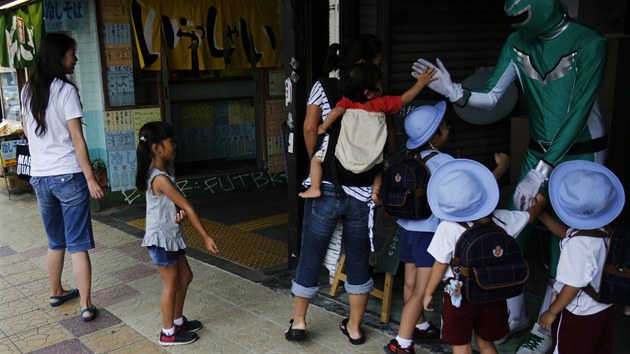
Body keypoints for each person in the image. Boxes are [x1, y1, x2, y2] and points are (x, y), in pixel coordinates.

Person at [412, 1, 608, 352]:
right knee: (513, 231)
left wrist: (542, 170)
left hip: (583, 152)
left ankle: (548, 325)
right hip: (537, 149)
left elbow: (579, 113)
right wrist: (452, 90)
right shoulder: (517, 41)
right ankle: (512, 313)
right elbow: (491, 97)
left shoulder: (589, 42)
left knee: (567, 237)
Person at [385, 106, 510, 354]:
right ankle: (402, 342)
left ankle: (419, 325)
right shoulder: (446, 163)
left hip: (408, 230)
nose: (449, 128)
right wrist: (502, 167)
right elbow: (475, 191)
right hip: (429, 234)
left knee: (410, 284)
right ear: (434, 137)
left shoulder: (410, 158)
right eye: (444, 126)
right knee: (422, 290)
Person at [285, 34, 384, 345]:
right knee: (357, 259)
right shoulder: (375, 91)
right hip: (364, 191)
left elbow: (309, 127)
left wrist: (320, 158)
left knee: (311, 253)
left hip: (326, 186)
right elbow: (389, 143)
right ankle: (354, 328)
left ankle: (299, 322)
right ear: (365, 62)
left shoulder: (324, 86)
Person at [422, 159, 546, 354]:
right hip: (492, 292)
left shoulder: (447, 227)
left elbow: (439, 264)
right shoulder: (501, 219)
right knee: (486, 343)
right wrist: (541, 203)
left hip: (458, 295)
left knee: (461, 344)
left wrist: (428, 292)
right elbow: (529, 216)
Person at [21, 33, 103, 322]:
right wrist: (90, 178)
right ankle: (85, 304)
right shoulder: (65, 91)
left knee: (55, 241)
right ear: (59, 57)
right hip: (68, 174)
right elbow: (77, 139)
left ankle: (56, 291)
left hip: (40, 177)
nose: (75, 59)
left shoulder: (27, 90)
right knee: (78, 242)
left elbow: (28, 133)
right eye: (71, 54)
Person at [298, 62, 437, 203]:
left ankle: (315, 187)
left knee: (316, 159)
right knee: (378, 167)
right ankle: (375, 192)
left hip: (345, 156)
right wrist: (421, 83)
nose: (382, 86)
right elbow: (405, 98)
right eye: (379, 84)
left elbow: (334, 113)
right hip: (370, 156)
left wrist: (322, 127)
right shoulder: (382, 103)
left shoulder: (347, 102)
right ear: (369, 94)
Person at [135, 121, 219, 346]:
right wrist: (206, 236)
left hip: (169, 235)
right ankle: (168, 333)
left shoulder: (162, 171)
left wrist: (176, 212)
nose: (176, 145)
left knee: (186, 277)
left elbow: (171, 205)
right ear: (157, 148)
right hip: (162, 239)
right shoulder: (159, 178)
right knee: (171, 285)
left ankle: (177, 320)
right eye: (171, 142)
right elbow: (189, 206)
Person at [534, 161, 624, 354]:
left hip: (579, 312)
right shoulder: (601, 229)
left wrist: (552, 312)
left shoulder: (577, 246)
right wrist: (541, 215)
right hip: (603, 306)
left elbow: (574, 285)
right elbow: (567, 232)